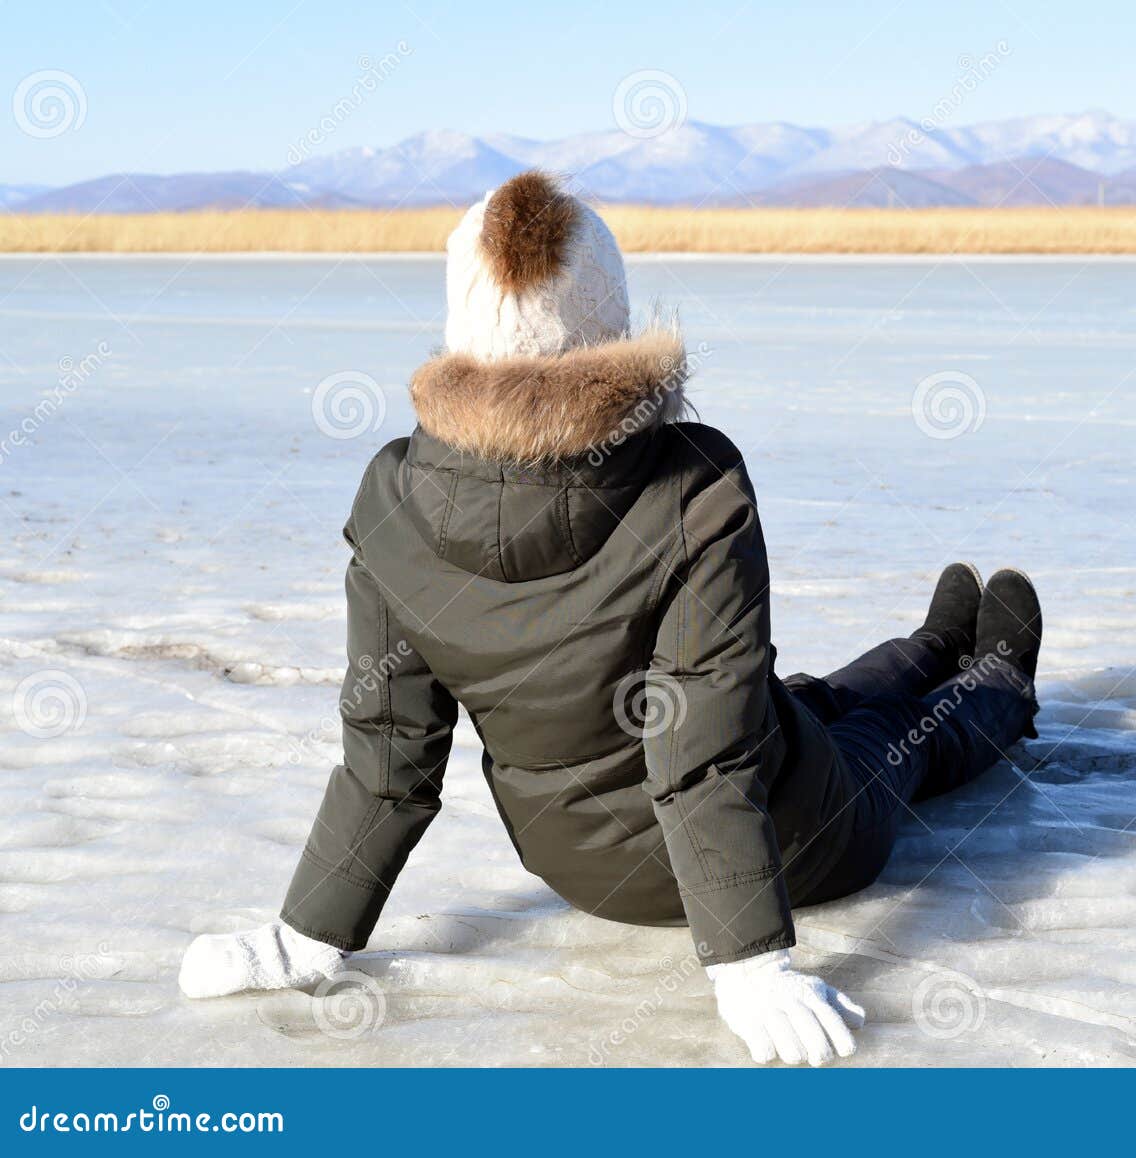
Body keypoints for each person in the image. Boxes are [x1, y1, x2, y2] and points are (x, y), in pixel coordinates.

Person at [179, 171, 1043, 1066]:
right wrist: (748, 963)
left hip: (582, 869)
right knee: (899, 743)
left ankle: (931, 642)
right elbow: (701, 754)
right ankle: (1000, 680)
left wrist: (308, 936)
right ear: (610, 323)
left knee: (803, 702)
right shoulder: (693, 483)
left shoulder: (394, 499)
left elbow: (388, 751)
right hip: (797, 840)